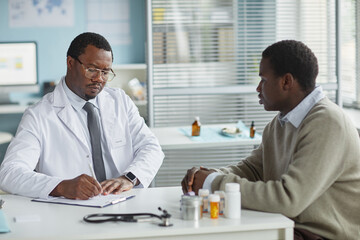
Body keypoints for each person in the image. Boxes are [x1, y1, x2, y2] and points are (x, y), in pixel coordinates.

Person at [181, 40, 360, 240]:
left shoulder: (327, 122)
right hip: (290, 227)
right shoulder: (281, 122)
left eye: (264, 80)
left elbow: (288, 199)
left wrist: (214, 183)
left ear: (286, 82)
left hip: (322, 235)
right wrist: (210, 175)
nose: (258, 88)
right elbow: (254, 169)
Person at [0, 32, 164, 200]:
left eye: (106, 72)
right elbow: (10, 173)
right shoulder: (39, 114)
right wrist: (61, 186)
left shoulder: (120, 101)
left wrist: (129, 178)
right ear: (70, 63)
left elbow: (151, 148)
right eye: (91, 70)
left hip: (121, 201)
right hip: (68, 212)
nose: (99, 79)